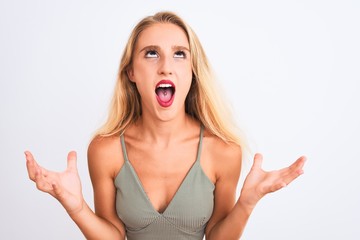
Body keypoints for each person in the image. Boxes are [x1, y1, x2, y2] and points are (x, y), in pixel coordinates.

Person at [25, 11, 306, 240]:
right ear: (131, 72)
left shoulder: (223, 151)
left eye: (179, 54)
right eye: (151, 53)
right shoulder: (105, 149)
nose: (166, 67)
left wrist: (247, 203)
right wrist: (75, 207)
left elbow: (218, 237)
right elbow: (112, 236)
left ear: (193, 72)